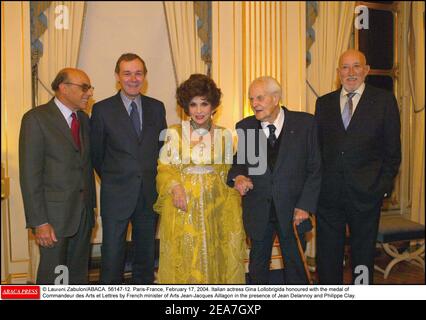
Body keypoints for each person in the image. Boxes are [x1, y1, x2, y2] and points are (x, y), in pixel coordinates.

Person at [314, 49, 401, 284]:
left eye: (356, 66)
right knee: (327, 259)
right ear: (338, 72)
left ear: (366, 70)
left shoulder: (384, 101)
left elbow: (393, 153)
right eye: (345, 67)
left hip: (366, 195)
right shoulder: (323, 103)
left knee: (362, 259)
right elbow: (317, 151)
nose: (350, 72)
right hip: (328, 197)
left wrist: (380, 188)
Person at [227, 76, 321, 284]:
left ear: (276, 98)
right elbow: (239, 163)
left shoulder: (305, 123)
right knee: (257, 268)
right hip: (259, 210)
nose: (254, 104)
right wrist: (240, 176)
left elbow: (315, 169)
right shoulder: (246, 126)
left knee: (295, 267)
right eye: (251, 99)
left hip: (294, 211)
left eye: (260, 98)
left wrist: (305, 206)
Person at [153, 74, 246, 284]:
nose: (199, 110)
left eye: (204, 103)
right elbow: (164, 168)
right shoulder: (174, 133)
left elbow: (228, 172)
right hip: (183, 208)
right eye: (193, 104)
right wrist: (175, 187)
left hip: (217, 209)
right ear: (186, 107)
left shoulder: (225, 136)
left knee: (218, 258)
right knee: (187, 260)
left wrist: (239, 180)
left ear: (213, 105)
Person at [90, 53, 167, 284]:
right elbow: (96, 154)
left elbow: (162, 150)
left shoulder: (157, 107)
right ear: (117, 76)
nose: (133, 79)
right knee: (113, 256)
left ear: (144, 76)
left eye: (138, 73)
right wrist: (116, 178)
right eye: (127, 73)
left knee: (145, 256)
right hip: (117, 194)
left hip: (148, 195)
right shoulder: (102, 109)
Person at [19, 68, 96, 284]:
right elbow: (30, 175)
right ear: (63, 88)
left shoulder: (84, 120)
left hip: (82, 217)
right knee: (53, 278)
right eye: (84, 87)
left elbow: (85, 165)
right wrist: (39, 221)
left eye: (89, 88)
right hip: (53, 220)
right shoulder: (36, 119)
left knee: (77, 277)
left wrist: (91, 208)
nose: (89, 93)